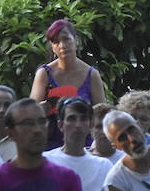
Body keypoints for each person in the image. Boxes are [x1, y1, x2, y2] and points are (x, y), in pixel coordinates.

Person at [29, 19, 108, 149]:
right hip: (50, 146)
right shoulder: (44, 74)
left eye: (66, 39)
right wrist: (40, 109)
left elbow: (102, 114)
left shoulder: (92, 75)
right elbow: (30, 113)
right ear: (52, 47)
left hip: (85, 146)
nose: (62, 45)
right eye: (56, 42)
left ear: (76, 40)